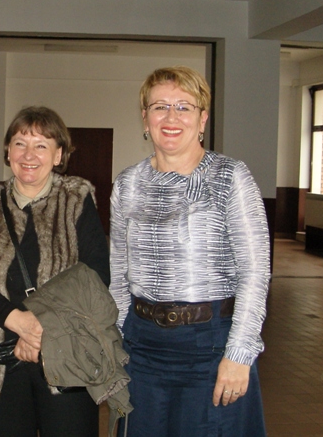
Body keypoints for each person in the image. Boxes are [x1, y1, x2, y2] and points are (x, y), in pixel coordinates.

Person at [109, 66, 270, 436]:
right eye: (160, 107)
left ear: (202, 119)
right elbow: (118, 273)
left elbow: (255, 272)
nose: (171, 117)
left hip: (210, 345)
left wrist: (239, 354)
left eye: (184, 107)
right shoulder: (128, 183)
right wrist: (115, 342)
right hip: (141, 346)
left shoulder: (230, 176)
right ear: (145, 118)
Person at [0, 105, 110, 437]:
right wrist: (19, 322)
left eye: (41, 145)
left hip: (68, 356)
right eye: (20, 143)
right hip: (0, 359)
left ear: (58, 155)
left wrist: (40, 327)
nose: (29, 155)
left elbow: (96, 274)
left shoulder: (76, 200)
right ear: (7, 151)